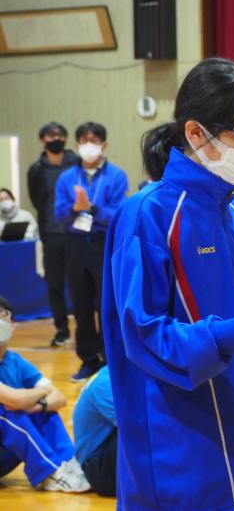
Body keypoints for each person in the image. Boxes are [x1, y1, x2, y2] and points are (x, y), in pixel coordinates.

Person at [102, 57, 234, 511]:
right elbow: (141, 336)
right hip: (184, 468)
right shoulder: (147, 214)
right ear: (196, 133)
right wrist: (230, 335)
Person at [54, 121, 128, 383]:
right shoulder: (66, 177)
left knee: (106, 304)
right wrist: (75, 208)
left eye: (94, 141)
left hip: (103, 243)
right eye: (84, 141)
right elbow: (58, 216)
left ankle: (110, 361)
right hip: (75, 244)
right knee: (81, 305)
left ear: (103, 145)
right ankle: (88, 360)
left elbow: (118, 214)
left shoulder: (116, 176)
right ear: (76, 145)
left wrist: (92, 208)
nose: (89, 145)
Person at [0, 295, 90, 493]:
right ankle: (50, 473)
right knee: (6, 413)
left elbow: (59, 398)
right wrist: (38, 394)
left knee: (43, 409)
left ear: (13, 325)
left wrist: (38, 404)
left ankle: (68, 463)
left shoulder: (15, 361)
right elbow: (15, 400)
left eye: (3, 316)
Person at [27, 122, 79, 347]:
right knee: (55, 285)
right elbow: (37, 201)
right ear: (42, 141)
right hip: (51, 233)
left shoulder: (76, 163)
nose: (55, 139)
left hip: (77, 232)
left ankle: (87, 331)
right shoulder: (37, 169)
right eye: (50, 136)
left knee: (81, 284)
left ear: (66, 139)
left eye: (59, 135)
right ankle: (61, 330)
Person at [72, 366, 116, 497]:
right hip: (98, 470)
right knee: (140, 432)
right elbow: (135, 426)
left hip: (103, 455)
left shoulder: (113, 373)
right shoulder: (105, 383)